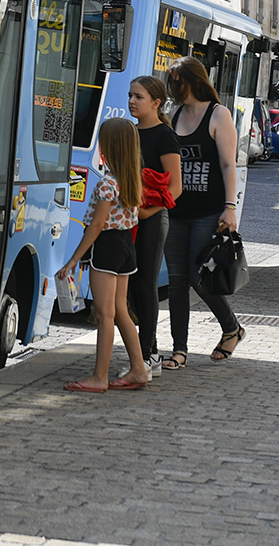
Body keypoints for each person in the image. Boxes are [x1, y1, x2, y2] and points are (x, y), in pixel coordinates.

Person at [163, 56, 246, 366]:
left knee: (200, 276)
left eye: (177, 83)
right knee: (176, 280)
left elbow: (228, 164)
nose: (173, 89)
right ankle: (179, 350)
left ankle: (231, 328)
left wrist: (230, 208)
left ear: (195, 82)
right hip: (175, 210)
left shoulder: (218, 115)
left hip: (209, 211)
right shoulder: (175, 113)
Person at [57, 118, 151, 392]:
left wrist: (74, 259)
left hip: (106, 248)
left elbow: (96, 225)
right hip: (125, 247)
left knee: (104, 313)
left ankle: (99, 377)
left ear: (109, 146)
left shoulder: (107, 183)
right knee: (120, 311)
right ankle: (138, 369)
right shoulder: (131, 179)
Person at [126, 75, 181, 378]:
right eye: (131, 96)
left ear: (156, 103)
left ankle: (147, 356)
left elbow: (175, 188)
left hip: (152, 218)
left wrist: (147, 213)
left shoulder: (164, 136)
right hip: (130, 217)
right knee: (133, 286)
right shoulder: (130, 133)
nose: (132, 101)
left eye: (139, 97)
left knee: (146, 285)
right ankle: (151, 353)